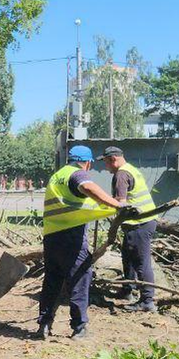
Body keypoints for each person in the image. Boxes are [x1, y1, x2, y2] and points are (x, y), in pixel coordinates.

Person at [38, 145, 123, 340]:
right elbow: (87, 187)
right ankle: (79, 327)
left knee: (52, 280)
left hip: (51, 236)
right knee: (80, 277)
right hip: (71, 237)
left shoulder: (57, 176)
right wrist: (117, 205)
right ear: (87, 162)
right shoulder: (77, 174)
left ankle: (44, 324)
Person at [99, 146, 160, 312]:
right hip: (141, 222)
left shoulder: (121, 175)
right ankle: (128, 289)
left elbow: (120, 203)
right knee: (128, 256)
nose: (105, 167)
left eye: (105, 163)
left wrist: (98, 209)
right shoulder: (130, 169)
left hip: (139, 224)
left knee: (141, 262)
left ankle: (147, 300)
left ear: (113, 159)